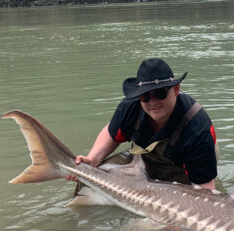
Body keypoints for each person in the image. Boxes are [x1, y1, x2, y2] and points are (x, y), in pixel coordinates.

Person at [67, 58, 218, 190]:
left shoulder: (197, 128)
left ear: (176, 89)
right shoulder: (130, 107)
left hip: (184, 164)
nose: (153, 102)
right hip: (143, 160)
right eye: (145, 96)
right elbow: (111, 133)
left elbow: (205, 192)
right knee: (90, 176)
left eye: (160, 94)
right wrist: (92, 160)